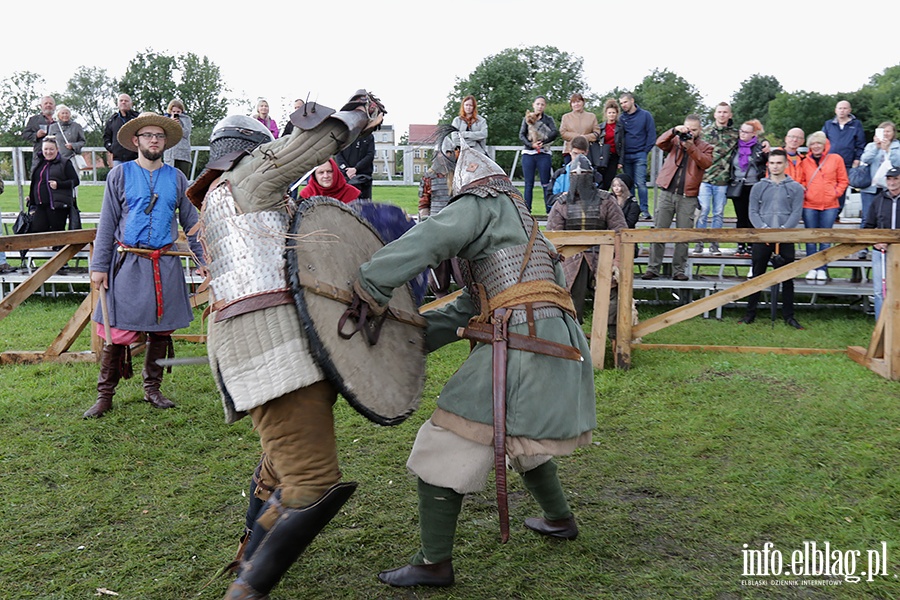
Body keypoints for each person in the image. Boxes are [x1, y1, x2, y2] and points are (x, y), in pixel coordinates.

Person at [354, 133, 595, 589]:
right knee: (523, 431)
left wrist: (370, 282)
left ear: (463, 181)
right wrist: (409, 341)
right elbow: (472, 305)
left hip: (525, 342)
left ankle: (433, 562)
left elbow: (430, 237)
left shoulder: (480, 203)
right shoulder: (525, 232)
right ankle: (559, 518)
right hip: (556, 345)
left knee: (447, 438)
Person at [185, 92, 385, 600]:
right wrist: (359, 112)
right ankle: (247, 589)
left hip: (268, 343)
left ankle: (250, 550)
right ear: (249, 151)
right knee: (312, 480)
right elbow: (310, 143)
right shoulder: (247, 179)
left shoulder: (222, 200)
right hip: (271, 348)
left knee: (280, 463)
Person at [82, 112, 207, 419]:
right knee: (117, 331)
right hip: (127, 263)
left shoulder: (177, 179)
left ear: (165, 142)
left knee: (162, 331)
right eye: (148, 136)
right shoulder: (120, 175)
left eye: (159, 136)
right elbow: (108, 221)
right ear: (136, 141)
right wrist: (100, 266)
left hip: (163, 263)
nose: (154, 140)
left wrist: (204, 261)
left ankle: (152, 388)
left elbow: (192, 224)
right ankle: (105, 395)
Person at [546, 154, 628, 326]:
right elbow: (553, 238)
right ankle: (573, 341)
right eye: (576, 175)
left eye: (583, 173)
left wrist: (617, 260)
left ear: (591, 176)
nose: (579, 177)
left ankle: (614, 340)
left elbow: (620, 232)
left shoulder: (606, 201)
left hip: (603, 257)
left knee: (613, 300)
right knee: (569, 302)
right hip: (572, 260)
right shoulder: (561, 203)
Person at [736, 149, 805, 329]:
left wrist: (782, 232)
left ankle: (789, 315)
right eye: (772, 163)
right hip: (762, 238)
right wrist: (764, 231)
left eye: (779, 163)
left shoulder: (795, 187)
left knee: (787, 278)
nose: (775, 166)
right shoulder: (759, 187)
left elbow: (796, 213)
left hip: (785, 238)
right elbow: (753, 212)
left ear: (786, 164)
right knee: (757, 275)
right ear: (768, 165)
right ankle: (750, 313)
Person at [641, 115, 713, 282]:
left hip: (688, 196)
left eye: (694, 130)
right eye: (688, 129)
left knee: (683, 235)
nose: (690, 133)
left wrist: (691, 147)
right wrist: (674, 131)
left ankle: (679, 270)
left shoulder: (705, 147)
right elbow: (659, 143)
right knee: (659, 230)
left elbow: (705, 163)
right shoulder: (675, 140)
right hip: (667, 191)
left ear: (700, 130)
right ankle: (653, 268)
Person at [797, 131, 847, 282]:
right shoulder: (805, 162)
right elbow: (801, 179)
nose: (816, 146)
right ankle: (811, 267)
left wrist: (835, 193)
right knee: (811, 237)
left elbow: (843, 180)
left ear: (824, 144)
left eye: (819, 143)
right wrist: (805, 191)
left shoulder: (836, 159)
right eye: (813, 143)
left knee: (825, 238)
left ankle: (823, 268)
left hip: (830, 204)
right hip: (810, 204)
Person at [694, 102, 738, 256]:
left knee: (718, 212)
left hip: (723, 180)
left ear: (730, 115)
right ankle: (699, 242)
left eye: (725, 112)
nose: (722, 115)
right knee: (703, 210)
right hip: (705, 178)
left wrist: (764, 142)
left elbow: (751, 140)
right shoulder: (704, 132)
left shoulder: (735, 134)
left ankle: (714, 243)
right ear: (714, 114)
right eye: (719, 112)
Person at [417, 148, 460, 297]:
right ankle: (441, 304)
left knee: (461, 272)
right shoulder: (429, 176)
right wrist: (425, 222)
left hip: (457, 227)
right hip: (436, 226)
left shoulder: (460, 176)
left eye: (447, 153)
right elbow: (423, 203)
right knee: (438, 276)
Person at [858, 122, 900, 258]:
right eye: (883, 131)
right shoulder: (871, 146)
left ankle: (891, 242)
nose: (886, 134)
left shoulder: (897, 146)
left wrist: (888, 150)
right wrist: (876, 148)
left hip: (891, 186)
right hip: (871, 187)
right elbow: (864, 160)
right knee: (867, 217)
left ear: (894, 133)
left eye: (889, 131)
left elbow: (898, 163)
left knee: (889, 216)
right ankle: (863, 246)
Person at [727, 120, 769, 257]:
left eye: (746, 132)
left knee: (752, 215)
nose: (742, 134)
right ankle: (741, 244)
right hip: (738, 185)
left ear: (753, 134)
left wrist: (766, 142)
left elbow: (766, 161)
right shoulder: (735, 147)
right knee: (740, 216)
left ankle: (751, 244)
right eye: (741, 131)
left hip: (754, 185)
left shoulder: (758, 148)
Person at [863, 166, 900, 320]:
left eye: (896, 178)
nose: (892, 182)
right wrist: (875, 242)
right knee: (880, 290)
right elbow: (868, 226)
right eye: (889, 179)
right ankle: (881, 323)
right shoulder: (878, 200)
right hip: (881, 252)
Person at [26, 137, 79, 234]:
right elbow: (35, 182)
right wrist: (32, 197)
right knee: (37, 229)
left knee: (57, 234)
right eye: (45, 149)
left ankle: (60, 248)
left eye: (51, 149)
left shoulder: (65, 163)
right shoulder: (39, 163)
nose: (48, 152)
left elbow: (75, 181)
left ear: (57, 150)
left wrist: (59, 185)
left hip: (58, 206)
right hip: (40, 205)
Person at [822, 100, 865, 217]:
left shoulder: (856, 125)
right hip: (829, 162)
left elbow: (860, 144)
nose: (842, 110)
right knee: (827, 186)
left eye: (845, 108)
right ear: (835, 110)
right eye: (840, 108)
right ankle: (826, 211)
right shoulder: (828, 124)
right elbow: (821, 141)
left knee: (841, 189)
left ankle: (836, 214)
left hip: (847, 162)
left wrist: (857, 159)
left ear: (849, 110)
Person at [617, 92, 656, 220]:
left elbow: (651, 135)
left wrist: (645, 151)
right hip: (626, 155)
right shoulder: (621, 118)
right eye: (621, 103)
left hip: (640, 154)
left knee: (641, 183)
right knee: (629, 184)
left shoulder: (645, 115)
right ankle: (632, 208)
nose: (623, 105)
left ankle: (644, 209)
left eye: (625, 102)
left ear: (632, 101)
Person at [518, 95, 559, 212]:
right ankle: (527, 210)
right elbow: (521, 135)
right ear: (533, 105)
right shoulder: (527, 118)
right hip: (528, 153)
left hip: (544, 153)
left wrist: (543, 142)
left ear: (545, 106)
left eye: (542, 104)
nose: (540, 106)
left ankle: (549, 210)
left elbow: (554, 132)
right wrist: (531, 145)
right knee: (528, 183)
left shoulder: (548, 119)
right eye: (538, 104)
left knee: (546, 183)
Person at [336, 91, 376, 199]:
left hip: (363, 178)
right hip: (344, 176)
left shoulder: (368, 136)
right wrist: (346, 170)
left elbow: (370, 155)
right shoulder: (343, 134)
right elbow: (338, 154)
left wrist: (356, 169)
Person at [559, 93, 600, 165]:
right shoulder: (566, 117)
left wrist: (585, 138)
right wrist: (577, 137)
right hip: (570, 151)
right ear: (571, 104)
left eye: (578, 101)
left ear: (583, 102)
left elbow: (596, 133)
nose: (576, 104)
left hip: (588, 151)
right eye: (574, 102)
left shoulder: (592, 116)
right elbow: (563, 133)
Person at [21, 96, 56, 174]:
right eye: (46, 103)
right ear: (41, 106)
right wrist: (36, 135)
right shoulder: (34, 120)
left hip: (58, 156)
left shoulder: (60, 120)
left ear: (54, 106)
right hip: (39, 155)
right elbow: (25, 135)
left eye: (50, 103)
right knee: (38, 179)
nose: (48, 105)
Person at [549, 135, 590, 200]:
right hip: (563, 208)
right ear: (570, 151)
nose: (578, 158)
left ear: (586, 153)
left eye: (581, 154)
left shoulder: (596, 176)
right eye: (575, 153)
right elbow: (549, 199)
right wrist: (562, 196)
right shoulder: (559, 174)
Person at [103, 94, 140, 166]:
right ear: (117, 104)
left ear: (131, 104)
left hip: (136, 158)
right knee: (118, 177)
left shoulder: (138, 118)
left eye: (126, 101)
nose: (123, 102)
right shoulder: (112, 120)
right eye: (121, 101)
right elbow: (106, 137)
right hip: (118, 158)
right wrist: (112, 148)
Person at [598, 98, 625, 191]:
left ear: (617, 113)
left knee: (609, 180)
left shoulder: (620, 127)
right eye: (609, 113)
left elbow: (622, 145)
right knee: (600, 180)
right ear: (606, 114)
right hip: (602, 157)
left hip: (614, 156)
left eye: (613, 112)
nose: (611, 115)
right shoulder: (601, 127)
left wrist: (621, 161)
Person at [163, 99, 193, 179]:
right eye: (174, 111)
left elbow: (186, 134)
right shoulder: (165, 120)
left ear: (182, 111)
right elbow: (164, 134)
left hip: (183, 153)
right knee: (169, 178)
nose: (176, 113)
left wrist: (178, 126)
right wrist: (170, 123)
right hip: (170, 154)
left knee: (183, 178)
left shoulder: (186, 119)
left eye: (178, 112)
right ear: (170, 111)